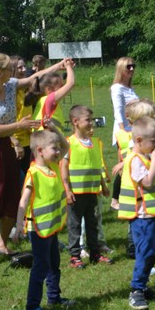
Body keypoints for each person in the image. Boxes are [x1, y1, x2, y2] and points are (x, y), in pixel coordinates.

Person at [0, 52, 69, 268]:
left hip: (6, 147)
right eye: (9, 69)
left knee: (11, 194)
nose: (13, 72)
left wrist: (59, 65)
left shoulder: (9, 85)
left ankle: (2, 244)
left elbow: (34, 78)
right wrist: (19, 126)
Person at [16, 129, 75, 310]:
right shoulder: (33, 173)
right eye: (53, 148)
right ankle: (32, 307)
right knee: (40, 267)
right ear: (40, 151)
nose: (58, 151)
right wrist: (19, 225)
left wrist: (55, 130)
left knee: (54, 264)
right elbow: (23, 201)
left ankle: (54, 297)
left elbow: (66, 145)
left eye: (57, 148)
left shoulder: (54, 166)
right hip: (38, 229)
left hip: (51, 228)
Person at [118, 116, 155, 310]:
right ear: (138, 140)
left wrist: (154, 162)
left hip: (149, 214)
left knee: (151, 251)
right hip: (141, 216)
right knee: (144, 252)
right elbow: (147, 182)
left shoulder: (144, 157)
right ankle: (136, 291)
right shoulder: (136, 160)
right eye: (153, 141)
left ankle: (143, 286)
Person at [61, 104, 112, 269]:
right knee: (75, 225)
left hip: (92, 191)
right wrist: (67, 189)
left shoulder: (94, 142)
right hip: (76, 193)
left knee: (92, 223)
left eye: (92, 119)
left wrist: (103, 185)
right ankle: (75, 256)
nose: (91, 123)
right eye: (88, 120)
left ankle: (95, 253)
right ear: (75, 122)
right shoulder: (69, 143)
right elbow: (63, 167)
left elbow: (96, 165)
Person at [110, 57, 139, 147]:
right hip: (124, 130)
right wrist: (123, 133)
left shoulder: (130, 88)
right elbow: (117, 112)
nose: (132, 69)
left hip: (133, 129)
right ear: (121, 69)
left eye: (133, 66)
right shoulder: (117, 88)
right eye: (128, 66)